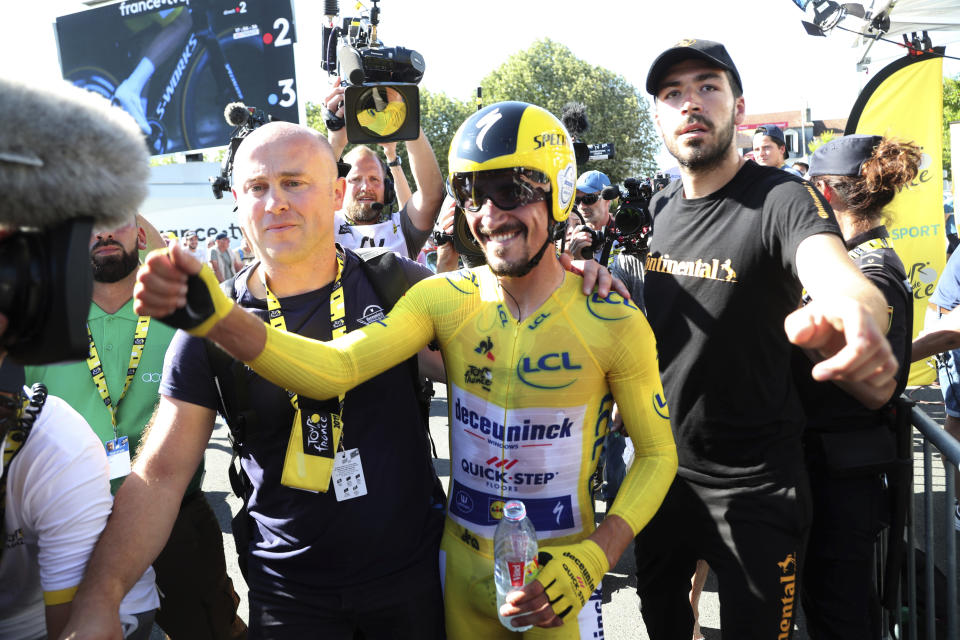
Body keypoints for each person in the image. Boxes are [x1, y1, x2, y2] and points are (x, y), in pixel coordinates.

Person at [132, 101, 678, 639]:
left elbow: (657, 454)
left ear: (559, 190)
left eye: (511, 190)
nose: (489, 214)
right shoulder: (441, 297)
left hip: (557, 586)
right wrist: (221, 320)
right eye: (471, 193)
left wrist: (595, 555)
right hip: (450, 579)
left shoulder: (614, 318)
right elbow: (335, 369)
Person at [61, 121, 450, 639]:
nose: (276, 203)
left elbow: (490, 367)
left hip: (412, 580)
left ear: (337, 193)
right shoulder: (209, 321)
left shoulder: (397, 283)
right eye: (257, 188)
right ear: (238, 206)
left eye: (294, 182)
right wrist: (101, 594)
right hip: (290, 596)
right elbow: (160, 475)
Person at [635, 39, 897, 638]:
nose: (690, 103)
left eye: (707, 86)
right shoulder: (663, 205)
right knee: (664, 623)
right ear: (659, 117)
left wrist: (860, 313)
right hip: (662, 473)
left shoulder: (779, 196)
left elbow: (835, 273)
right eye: (673, 94)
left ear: (738, 106)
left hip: (756, 488)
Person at [24, 216, 246, 638]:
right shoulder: (38, 326)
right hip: (67, 529)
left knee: (213, 630)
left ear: (140, 232)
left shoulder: (181, 317)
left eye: (115, 221)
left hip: (175, 519)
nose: (102, 234)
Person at [799, 134, 918, 638]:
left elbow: (872, 376)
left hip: (844, 471)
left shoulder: (870, 272)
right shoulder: (864, 261)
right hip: (837, 463)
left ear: (827, 193)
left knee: (841, 610)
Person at [324, 78, 444, 260]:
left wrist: (407, 121)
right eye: (355, 179)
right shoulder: (323, 226)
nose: (366, 187)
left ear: (388, 189)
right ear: (339, 189)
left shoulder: (403, 228)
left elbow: (432, 194)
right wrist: (335, 142)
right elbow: (309, 196)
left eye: (374, 179)